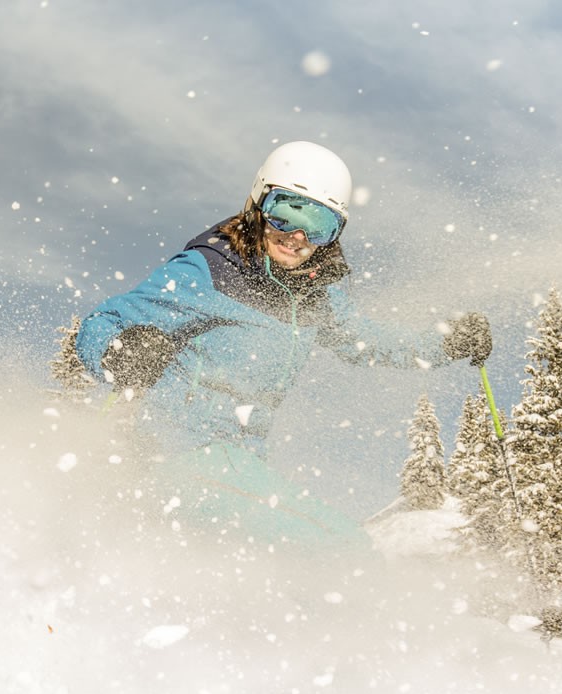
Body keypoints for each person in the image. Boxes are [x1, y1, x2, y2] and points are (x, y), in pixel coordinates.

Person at [72, 141, 491, 550]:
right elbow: (104, 322)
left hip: (239, 467)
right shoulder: (211, 270)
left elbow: (366, 341)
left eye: (320, 225)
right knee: (346, 550)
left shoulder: (313, 297)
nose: (298, 237)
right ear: (258, 204)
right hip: (175, 453)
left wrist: (445, 345)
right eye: (288, 212)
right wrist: (118, 352)